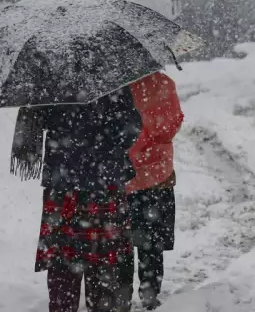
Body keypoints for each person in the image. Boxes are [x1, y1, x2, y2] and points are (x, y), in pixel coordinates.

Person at [10, 87, 141, 312]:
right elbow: (130, 130)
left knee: (63, 261)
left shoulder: (52, 79)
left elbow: (36, 121)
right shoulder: (111, 79)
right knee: (103, 262)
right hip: (104, 184)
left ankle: (63, 305)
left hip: (63, 187)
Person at [120, 72, 184, 311]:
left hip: (122, 176)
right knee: (151, 240)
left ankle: (120, 292)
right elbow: (171, 127)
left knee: (121, 240)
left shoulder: (116, 85)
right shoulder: (164, 84)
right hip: (157, 176)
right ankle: (149, 291)